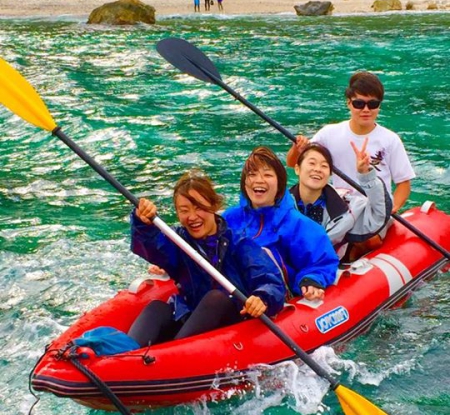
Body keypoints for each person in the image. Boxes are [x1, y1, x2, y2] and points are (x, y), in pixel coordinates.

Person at [128, 170, 286, 347]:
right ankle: (123, 358)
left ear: (213, 205)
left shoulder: (239, 243)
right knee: (156, 308)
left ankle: (176, 355)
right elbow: (150, 246)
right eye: (184, 210)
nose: (193, 217)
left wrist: (262, 298)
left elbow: (271, 282)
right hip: (191, 318)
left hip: (233, 321)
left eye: (199, 208)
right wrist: (142, 222)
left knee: (216, 298)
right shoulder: (178, 242)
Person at [286, 71, 415, 213]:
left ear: (379, 106)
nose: (366, 110)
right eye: (359, 104)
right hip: (340, 210)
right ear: (349, 103)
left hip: (375, 212)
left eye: (372, 104)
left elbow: (403, 184)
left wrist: (389, 211)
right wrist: (297, 149)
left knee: (370, 235)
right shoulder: (329, 134)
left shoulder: (390, 140)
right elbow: (293, 163)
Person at [223, 146, 339, 301]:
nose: (259, 180)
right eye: (252, 174)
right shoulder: (229, 218)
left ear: (279, 185)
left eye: (267, 174)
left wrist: (311, 279)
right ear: (244, 183)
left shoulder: (296, 224)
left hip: (274, 300)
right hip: (234, 295)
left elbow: (322, 261)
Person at [290, 141, 392, 259]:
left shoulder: (347, 207)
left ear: (329, 174)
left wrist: (366, 175)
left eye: (324, 166)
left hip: (322, 268)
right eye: (312, 163)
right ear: (297, 169)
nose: (317, 169)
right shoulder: (278, 204)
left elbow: (378, 214)